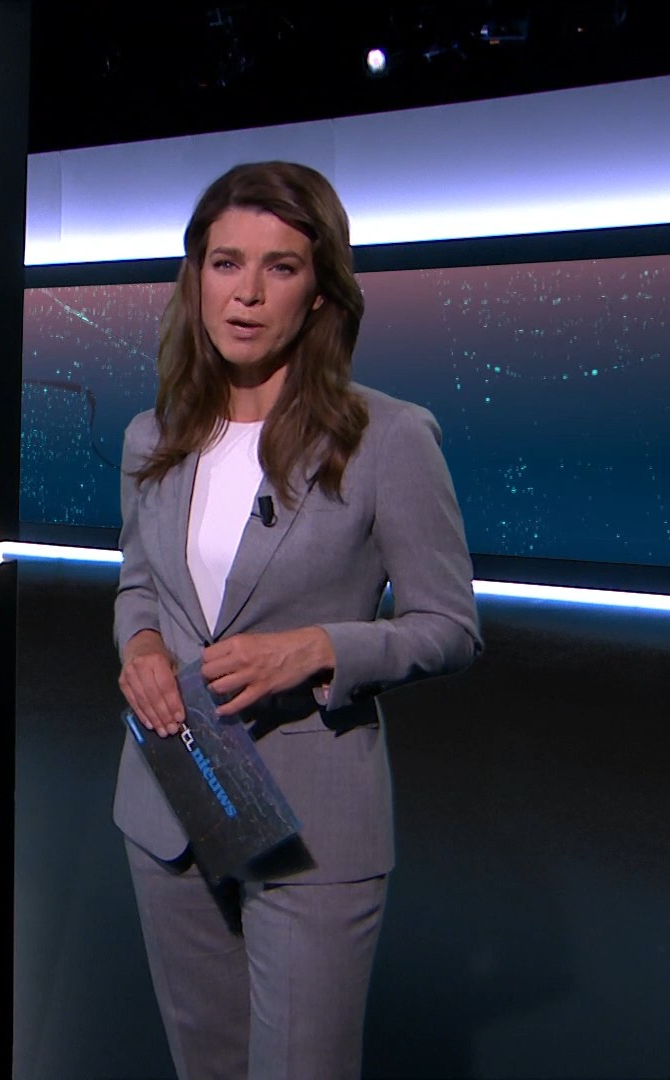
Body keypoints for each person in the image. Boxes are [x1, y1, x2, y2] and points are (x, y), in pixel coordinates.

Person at [111, 161, 482, 1080]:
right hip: (172, 796)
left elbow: (449, 625)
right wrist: (141, 645)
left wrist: (318, 649)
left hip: (312, 825)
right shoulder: (152, 437)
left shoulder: (387, 437)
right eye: (226, 262)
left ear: (320, 292)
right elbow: (138, 586)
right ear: (195, 277)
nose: (246, 293)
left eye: (279, 267)